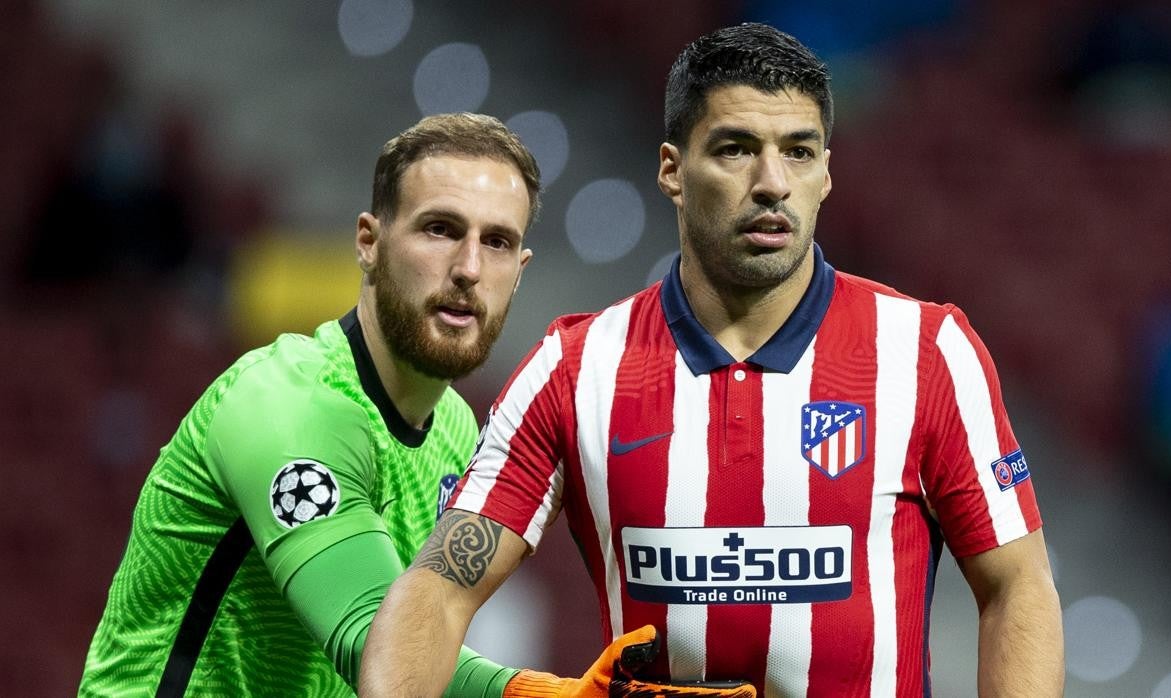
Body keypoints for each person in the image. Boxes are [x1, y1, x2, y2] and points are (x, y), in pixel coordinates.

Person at [360, 23, 1063, 697]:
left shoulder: (925, 353)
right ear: (672, 169)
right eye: (735, 148)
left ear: (826, 174)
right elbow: (439, 589)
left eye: (799, 151)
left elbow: (1017, 586)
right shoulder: (576, 370)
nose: (771, 183)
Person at [79, 113, 718, 698]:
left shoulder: (459, 429)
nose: (468, 268)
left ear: (520, 270)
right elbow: (375, 643)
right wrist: (555, 694)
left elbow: (424, 644)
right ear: (369, 242)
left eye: (497, 243)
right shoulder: (290, 402)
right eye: (440, 229)